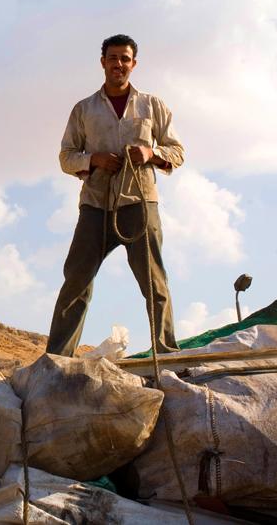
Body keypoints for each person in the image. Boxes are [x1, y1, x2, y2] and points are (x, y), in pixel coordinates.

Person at [47, 34, 184, 357]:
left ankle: (165, 352)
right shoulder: (84, 109)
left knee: (154, 281)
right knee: (76, 282)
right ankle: (57, 358)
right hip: (96, 204)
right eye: (113, 58)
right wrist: (93, 160)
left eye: (125, 58)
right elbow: (66, 156)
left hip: (139, 203)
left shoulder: (153, 105)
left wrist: (150, 153)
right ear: (103, 62)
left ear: (133, 64)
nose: (118, 64)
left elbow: (177, 151)